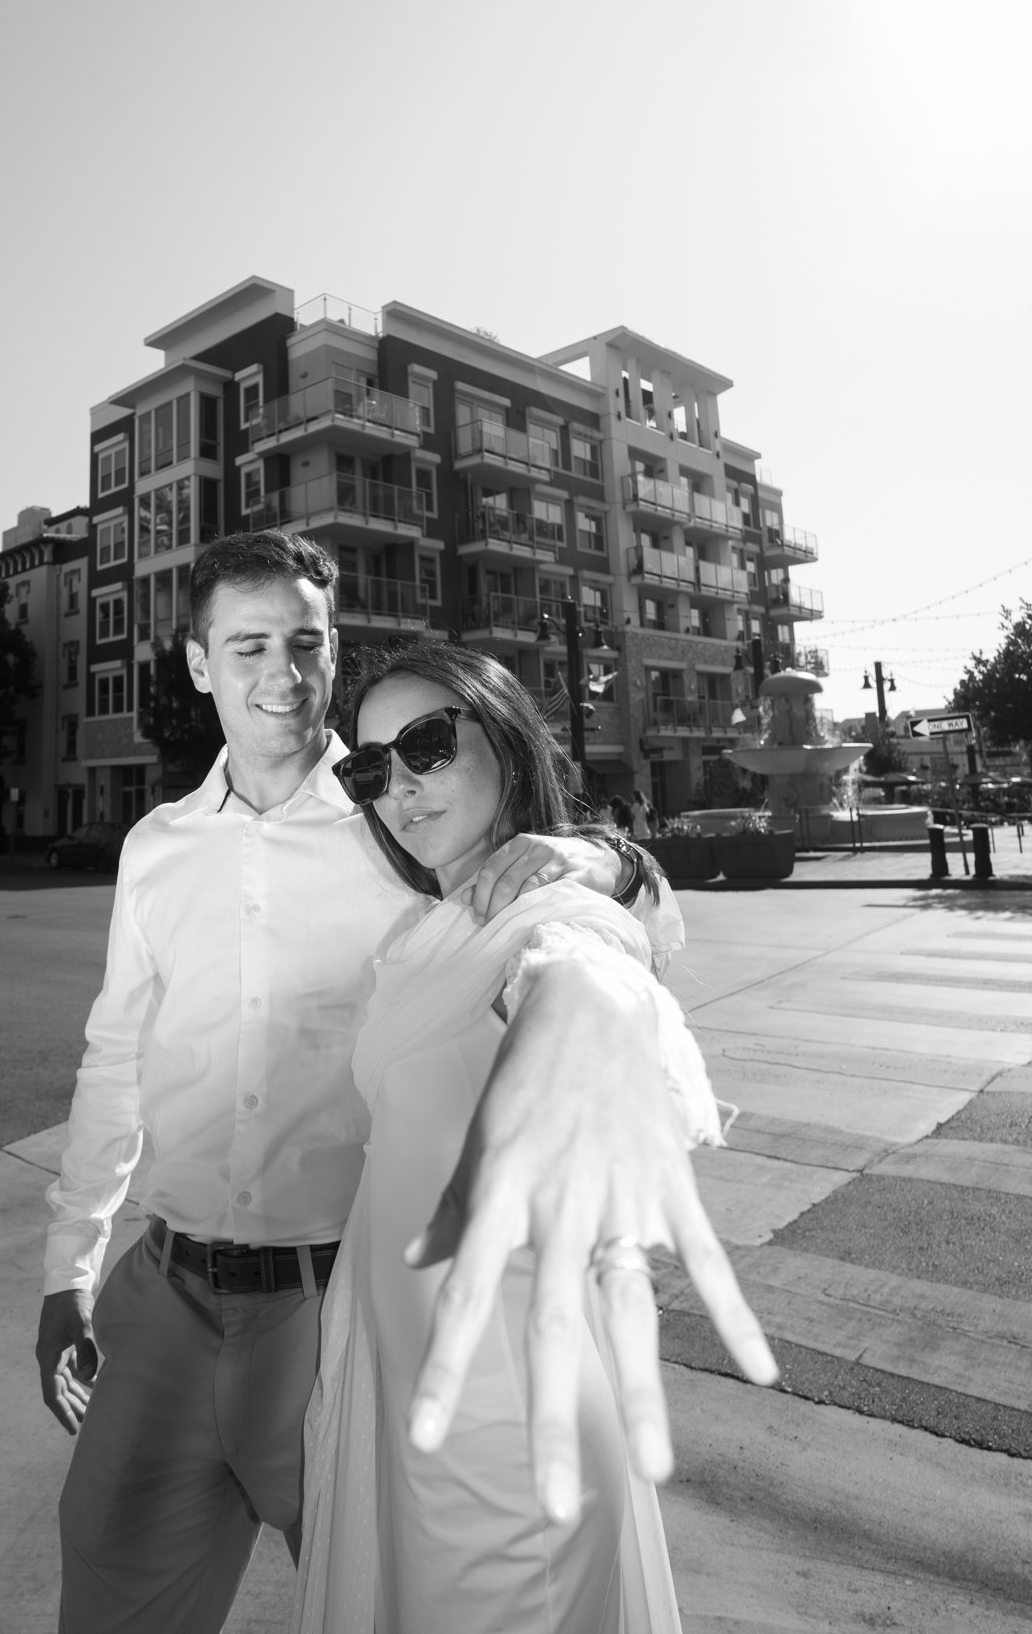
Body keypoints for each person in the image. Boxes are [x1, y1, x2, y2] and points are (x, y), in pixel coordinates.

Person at [36, 531, 773, 1633]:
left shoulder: (401, 826)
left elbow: (570, 938)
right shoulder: (160, 846)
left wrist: (609, 865)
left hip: (332, 1305)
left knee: (385, 1586)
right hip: (165, 1291)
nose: (282, 673)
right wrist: (69, 1264)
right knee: (108, 1591)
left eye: (306, 641)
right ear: (199, 665)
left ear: (334, 650)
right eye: (247, 646)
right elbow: (114, 1055)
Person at [293, 642, 758, 1633]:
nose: (400, 786)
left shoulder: (547, 918)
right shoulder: (425, 927)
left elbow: (586, 967)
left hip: (507, 1427)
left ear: (503, 739)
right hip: (416, 1396)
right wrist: (628, 860)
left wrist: (608, 894)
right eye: (370, 767)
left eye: (425, 744)